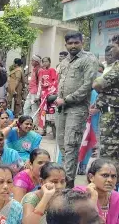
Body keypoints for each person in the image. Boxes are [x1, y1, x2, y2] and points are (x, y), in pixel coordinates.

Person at [56, 31, 99, 188]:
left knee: (71, 146)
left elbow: (87, 86)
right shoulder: (65, 61)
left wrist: (66, 99)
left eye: (76, 43)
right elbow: (61, 83)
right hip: (62, 109)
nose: (73, 46)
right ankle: (62, 181)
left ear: (82, 42)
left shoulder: (89, 59)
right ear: (66, 44)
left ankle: (68, 186)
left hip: (77, 109)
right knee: (62, 145)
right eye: (70, 43)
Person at [93, 34, 119, 163]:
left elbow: (97, 84)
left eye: (115, 44)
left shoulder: (117, 67)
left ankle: (110, 179)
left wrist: (100, 87)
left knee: (109, 150)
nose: (110, 48)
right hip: (109, 110)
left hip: (113, 114)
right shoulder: (111, 65)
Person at [74, 159, 119, 223]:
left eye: (113, 176)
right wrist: (93, 200)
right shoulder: (79, 194)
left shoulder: (116, 198)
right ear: (91, 177)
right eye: (105, 175)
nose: (110, 180)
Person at [38, 57, 59, 132]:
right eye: (43, 62)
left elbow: (55, 82)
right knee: (43, 111)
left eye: (46, 61)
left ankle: (52, 128)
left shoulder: (52, 70)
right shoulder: (42, 71)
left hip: (50, 93)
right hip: (43, 93)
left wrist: (50, 90)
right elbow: (41, 83)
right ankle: (43, 128)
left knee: (51, 110)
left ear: (49, 62)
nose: (44, 63)